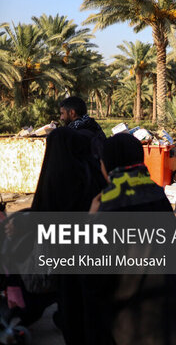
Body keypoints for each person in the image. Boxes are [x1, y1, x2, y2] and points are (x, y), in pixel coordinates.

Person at [87, 133, 176, 345]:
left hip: (130, 321)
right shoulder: (156, 194)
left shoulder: (107, 204)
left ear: (108, 164)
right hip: (170, 313)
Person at [29, 127, 107, 343]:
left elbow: (40, 211)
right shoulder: (89, 169)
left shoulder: (52, 174)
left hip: (62, 250)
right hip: (90, 247)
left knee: (69, 299)